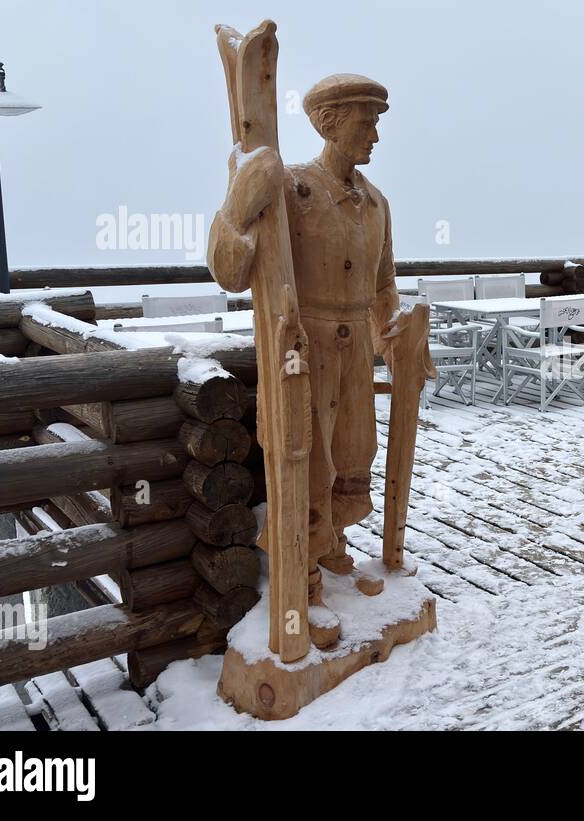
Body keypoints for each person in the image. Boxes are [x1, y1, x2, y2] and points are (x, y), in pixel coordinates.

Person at [207, 73, 411, 646]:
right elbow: (229, 270)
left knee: (353, 456)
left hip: (357, 353)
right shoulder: (292, 188)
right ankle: (304, 581)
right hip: (307, 345)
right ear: (328, 122)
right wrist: (241, 199)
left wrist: (390, 327)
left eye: (376, 123)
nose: (374, 135)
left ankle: (335, 547)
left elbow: (385, 282)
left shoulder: (376, 204)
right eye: (364, 122)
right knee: (308, 461)